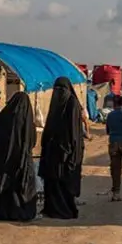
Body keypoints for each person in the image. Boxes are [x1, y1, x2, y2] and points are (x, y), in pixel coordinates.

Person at [0, 92, 38, 222]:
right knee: (19, 186)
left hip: (1, 159)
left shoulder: (5, 116)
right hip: (20, 160)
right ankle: (18, 211)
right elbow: (31, 141)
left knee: (4, 184)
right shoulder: (26, 119)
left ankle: (3, 211)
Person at [39, 77, 84, 219]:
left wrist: (66, 150)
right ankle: (52, 209)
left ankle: (66, 210)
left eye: (62, 89)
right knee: (52, 181)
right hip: (53, 151)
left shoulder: (72, 104)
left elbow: (73, 132)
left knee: (64, 181)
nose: (59, 92)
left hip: (66, 152)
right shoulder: (56, 103)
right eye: (56, 89)